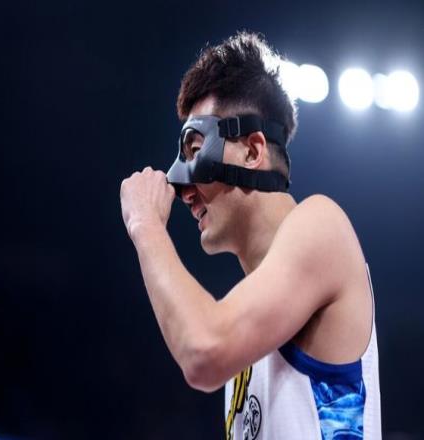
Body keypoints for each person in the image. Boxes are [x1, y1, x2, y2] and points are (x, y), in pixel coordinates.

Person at [120, 31, 381, 439]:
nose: (183, 190)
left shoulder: (322, 224)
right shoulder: (246, 326)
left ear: (253, 151)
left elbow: (202, 351)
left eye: (195, 151)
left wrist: (145, 225)